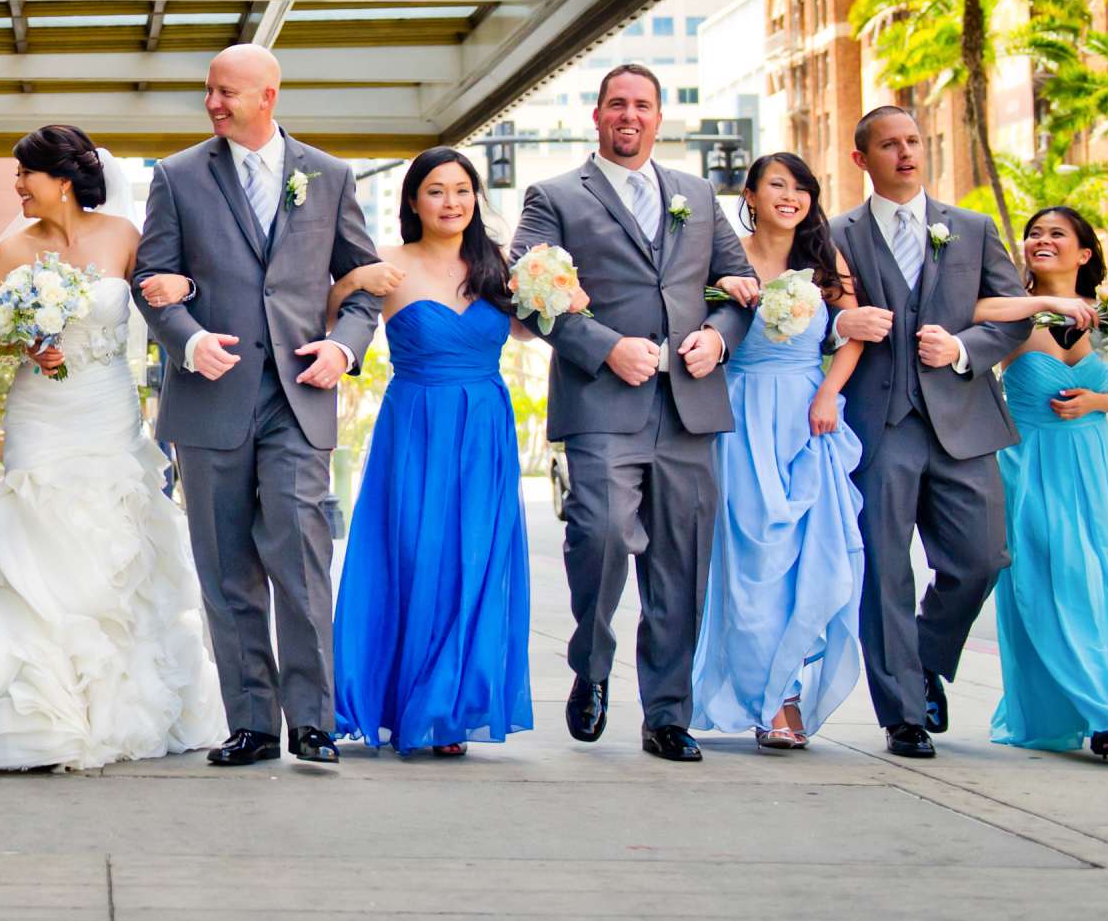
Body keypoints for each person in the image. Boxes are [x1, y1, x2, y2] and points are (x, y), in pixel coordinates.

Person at [0, 126, 224, 771]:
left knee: (114, 539)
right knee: (38, 538)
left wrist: (191, 298)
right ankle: (40, 713)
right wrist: (23, 342)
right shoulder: (9, 248)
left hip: (107, 409)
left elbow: (166, 296)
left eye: (23, 176)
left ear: (59, 178)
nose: (16, 188)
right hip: (41, 412)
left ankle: (116, 706)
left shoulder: (123, 235)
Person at [132, 45, 383, 768]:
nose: (212, 103)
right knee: (225, 565)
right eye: (208, 90)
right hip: (211, 397)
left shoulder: (329, 177)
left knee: (301, 557)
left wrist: (344, 346)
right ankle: (251, 723)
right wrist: (186, 339)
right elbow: (154, 278)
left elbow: (361, 281)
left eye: (226, 92)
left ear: (268, 95)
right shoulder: (177, 178)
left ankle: (312, 721)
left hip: (299, 397)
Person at [509, 64, 757, 763]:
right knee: (604, 533)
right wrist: (604, 347)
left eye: (642, 105)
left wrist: (718, 340)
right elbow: (531, 290)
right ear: (597, 116)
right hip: (602, 402)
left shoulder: (699, 196)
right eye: (617, 104)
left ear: (658, 117)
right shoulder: (554, 197)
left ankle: (667, 714)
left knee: (682, 563)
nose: (630, 115)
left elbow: (738, 290)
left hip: (687, 406)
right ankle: (590, 666)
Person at [828, 106, 1029, 759]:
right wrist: (841, 328)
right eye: (890, 145)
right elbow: (816, 320)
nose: (906, 153)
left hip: (963, 422)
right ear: (863, 159)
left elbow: (1012, 315)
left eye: (913, 141)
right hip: (879, 424)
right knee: (883, 572)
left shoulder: (970, 228)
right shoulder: (837, 234)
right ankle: (904, 712)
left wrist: (965, 348)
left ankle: (927, 655)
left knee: (982, 557)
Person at [325, 148, 536, 758]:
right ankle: (398, 697)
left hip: (486, 427)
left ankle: (446, 708)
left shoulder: (498, 265)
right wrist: (349, 281)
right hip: (415, 423)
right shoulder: (388, 262)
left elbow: (525, 329)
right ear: (414, 200)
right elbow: (329, 317)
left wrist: (561, 295)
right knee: (415, 555)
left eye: (463, 190)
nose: (452, 202)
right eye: (437, 191)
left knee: (476, 559)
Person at [690, 154, 867, 751]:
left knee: (806, 564)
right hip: (740, 417)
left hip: (807, 416)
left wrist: (828, 393)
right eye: (777, 186)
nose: (790, 197)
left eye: (801, 188)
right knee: (752, 566)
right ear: (752, 193)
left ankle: (784, 694)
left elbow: (853, 332)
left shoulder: (824, 259)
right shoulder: (726, 254)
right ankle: (768, 699)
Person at [979, 208, 1108, 759]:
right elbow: (974, 317)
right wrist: (1038, 304)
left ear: (1084, 254)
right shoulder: (1014, 316)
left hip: (1087, 460)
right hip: (1025, 462)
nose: (1042, 240)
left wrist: (1097, 402)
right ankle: (1058, 711)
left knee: (1088, 579)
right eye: (1034, 234)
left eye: (1057, 234)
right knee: (1036, 582)